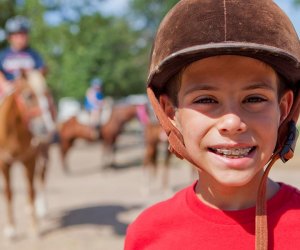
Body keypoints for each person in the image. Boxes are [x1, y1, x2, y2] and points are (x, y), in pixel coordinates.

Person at [125, 1, 300, 249]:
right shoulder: (147, 234)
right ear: (170, 112)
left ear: (283, 109)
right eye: (206, 100)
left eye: (254, 99)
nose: (232, 122)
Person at [0, 15, 56, 138]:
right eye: (17, 35)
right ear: (10, 37)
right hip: (7, 89)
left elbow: (40, 71)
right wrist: (5, 84)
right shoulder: (3, 55)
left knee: (45, 101)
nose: (21, 38)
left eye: (24, 34)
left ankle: (47, 132)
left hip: (28, 90)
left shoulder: (33, 54)